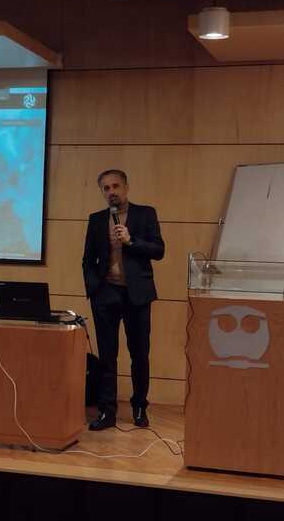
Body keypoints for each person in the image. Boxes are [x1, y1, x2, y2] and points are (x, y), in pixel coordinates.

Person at [82, 170, 165, 430]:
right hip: (106, 295)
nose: (111, 192)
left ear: (126, 187)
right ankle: (107, 411)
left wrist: (131, 241)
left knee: (139, 353)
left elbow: (159, 250)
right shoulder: (96, 220)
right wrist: (94, 289)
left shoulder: (146, 214)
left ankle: (140, 406)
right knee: (107, 356)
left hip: (137, 294)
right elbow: (87, 259)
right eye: (106, 188)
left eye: (115, 186)